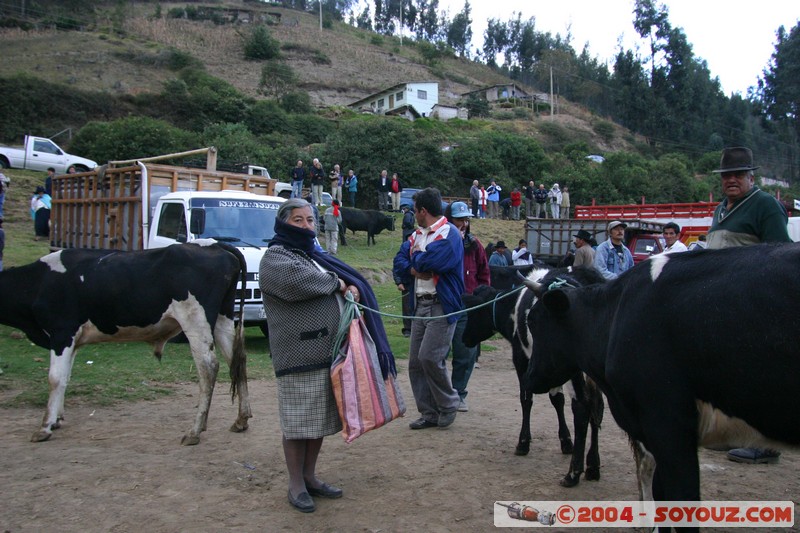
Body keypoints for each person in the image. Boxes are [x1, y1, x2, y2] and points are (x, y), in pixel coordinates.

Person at [259, 198, 395, 513]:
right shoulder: (275, 259)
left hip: (326, 353)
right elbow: (297, 282)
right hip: (297, 355)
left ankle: (310, 476)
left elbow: (332, 284)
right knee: (297, 422)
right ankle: (295, 484)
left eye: (310, 220)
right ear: (283, 223)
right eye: (298, 220)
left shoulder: (312, 255)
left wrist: (352, 290)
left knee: (317, 420)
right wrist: (339, 282)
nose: (306, 226)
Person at [706, 146, 791, 466]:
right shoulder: (720, 210)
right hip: (722, 308)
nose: (731, 180)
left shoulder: (764, 206)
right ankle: (733, 433)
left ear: (750, 177)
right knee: (730, 374)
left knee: (761, 374)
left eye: (738, 175)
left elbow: (781, 256)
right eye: (727, 175)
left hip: (754, 306)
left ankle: (768, 444)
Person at [393, 188, 463, 430]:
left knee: (430, 357)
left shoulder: (450, 234)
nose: (414, 215)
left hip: (441, 305)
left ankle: (449, 403)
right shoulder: (417, 235)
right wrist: (416, 267)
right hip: (420, 304)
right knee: (415, 362)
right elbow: (400, 261)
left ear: (423, 211)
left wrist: (418, 261)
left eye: (414, 211)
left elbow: (434, 261)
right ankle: (429, 412)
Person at [445, 201, 490, 412]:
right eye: (459, 219)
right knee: (438, 353)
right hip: (444, 304)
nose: (463, 223)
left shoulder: (475, 245)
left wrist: (479, 298)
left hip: (467, 304)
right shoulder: (442, 241)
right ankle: (441, 393)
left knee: (466, 352)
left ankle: (459, 392)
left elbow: (484, 274)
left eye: (466, 219)